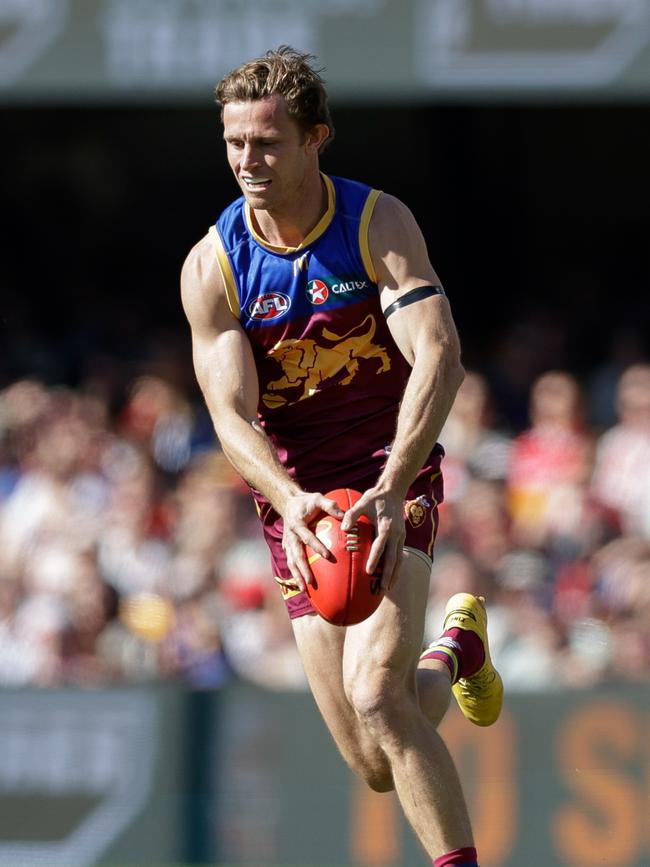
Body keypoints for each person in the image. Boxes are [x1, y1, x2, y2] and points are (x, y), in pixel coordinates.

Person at [181, 46, 503, 867]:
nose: (247, 161)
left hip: (388, 469)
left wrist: (394, 485)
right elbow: (229, 416)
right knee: (370, 759)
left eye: (267, 142)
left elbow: (439, 355)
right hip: (298, 501)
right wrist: (290, 503)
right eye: (234, 143)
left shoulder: (375, 224)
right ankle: (454, 653)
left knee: (376, 698)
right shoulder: (213, 267)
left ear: (316, 137)